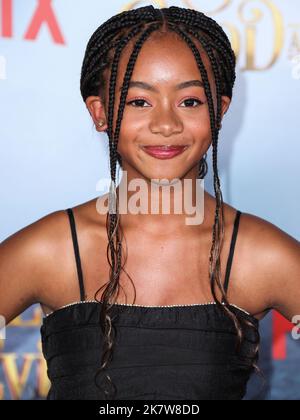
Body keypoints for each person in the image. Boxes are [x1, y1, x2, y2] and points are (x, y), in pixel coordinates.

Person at [0, 5, 299, 400]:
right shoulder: (49, 249)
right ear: (101, 112)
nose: (165, 124)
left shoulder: (262, 255)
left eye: (190, 101)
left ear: (219, 111)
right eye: (139, 101)